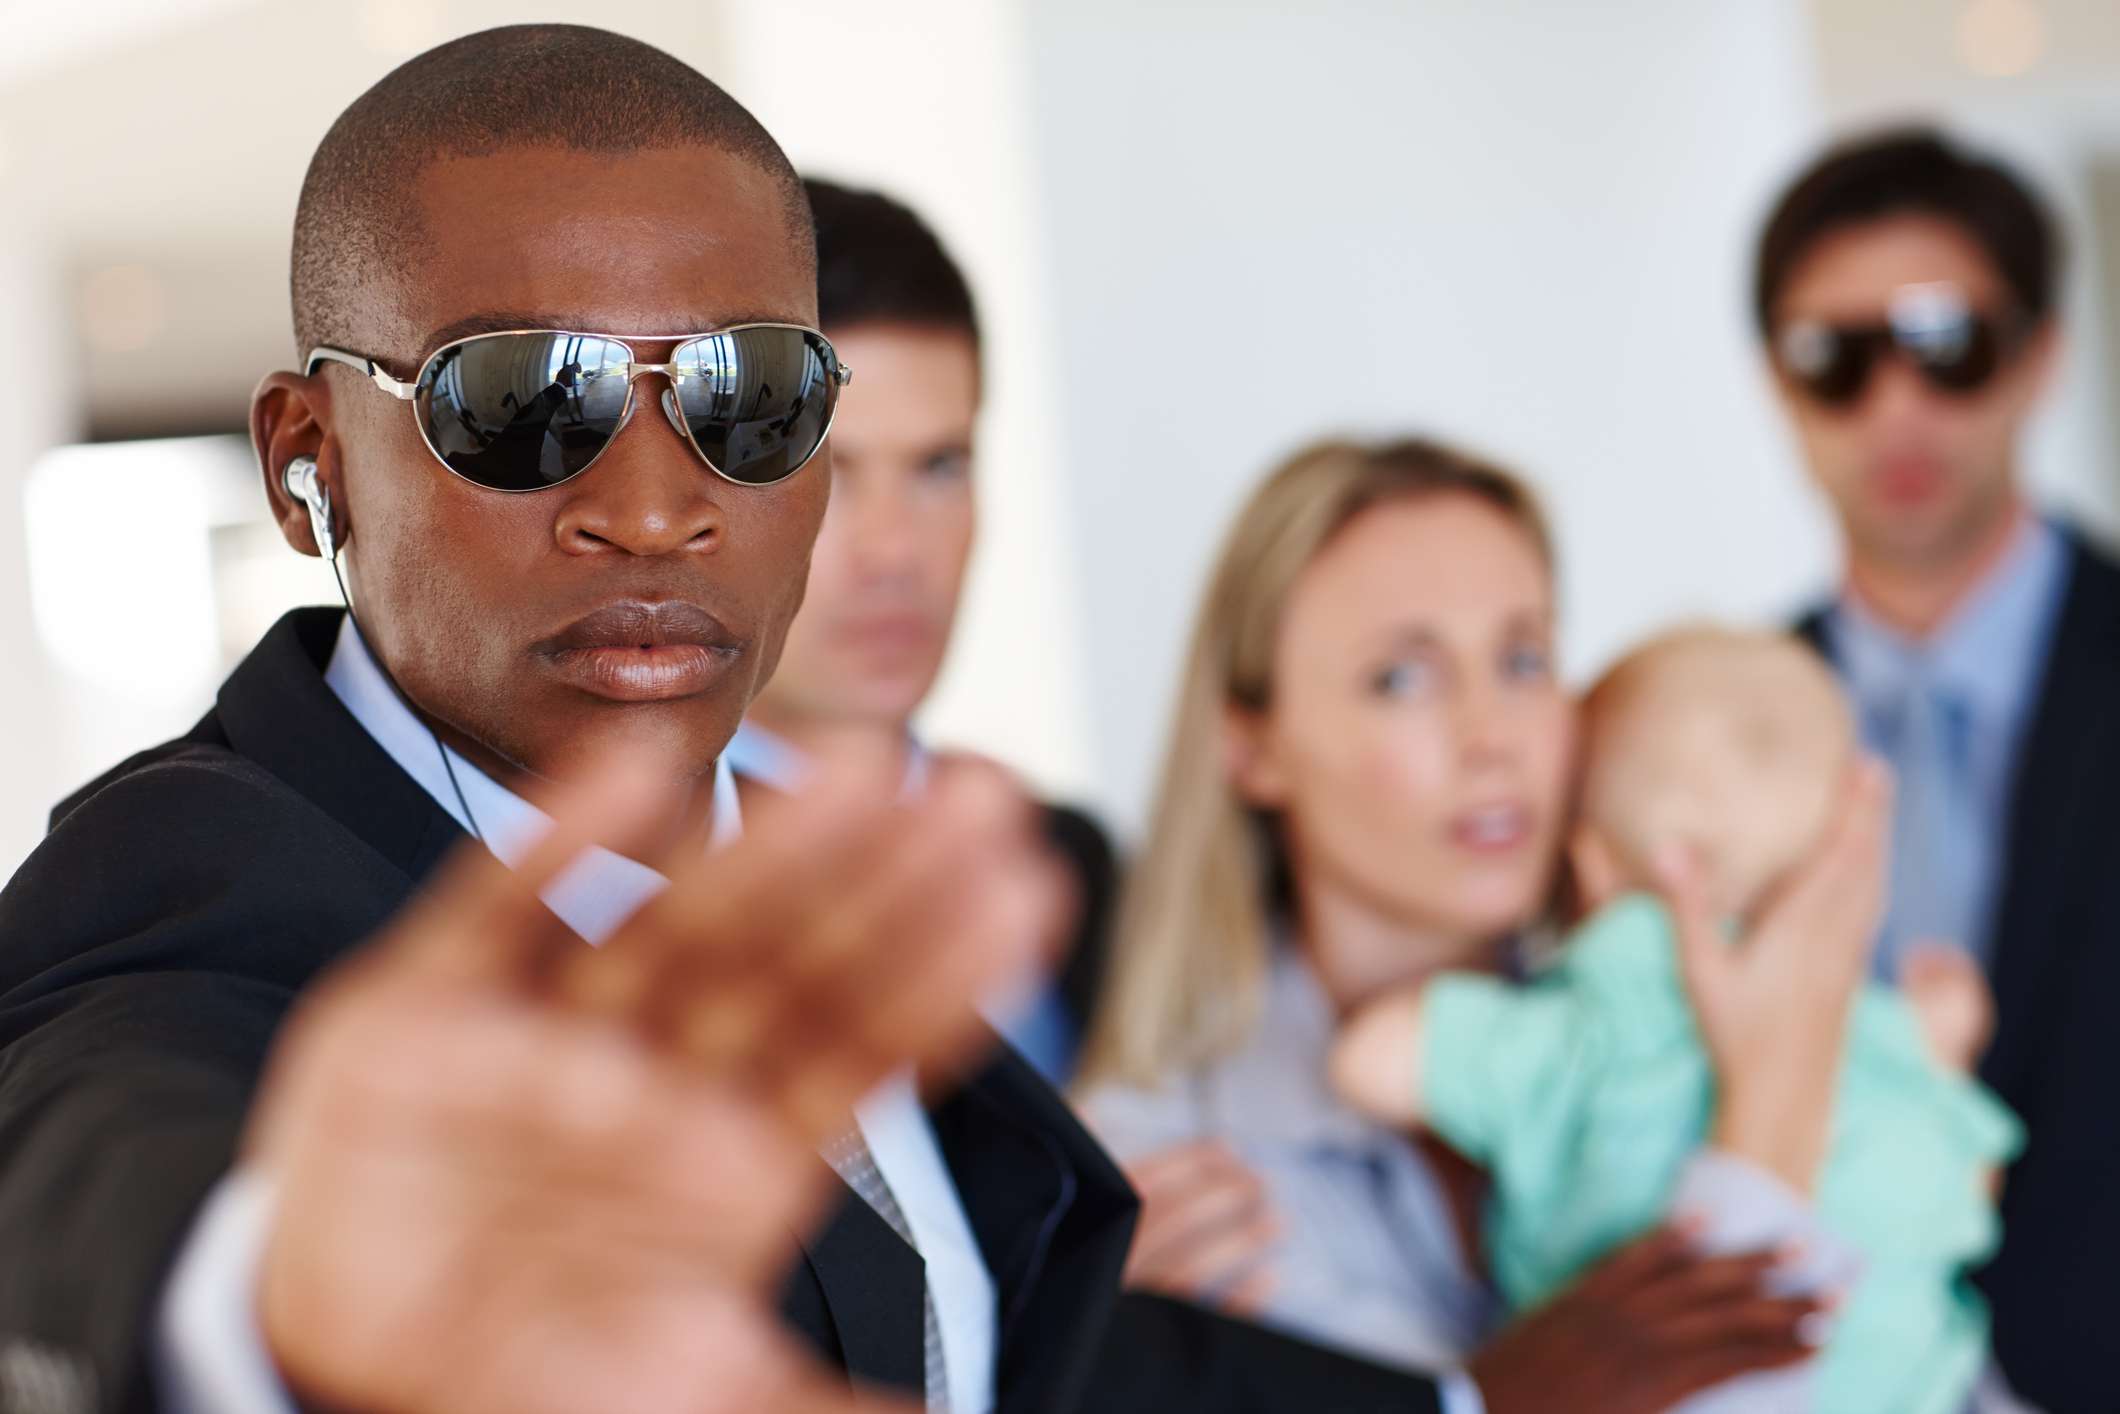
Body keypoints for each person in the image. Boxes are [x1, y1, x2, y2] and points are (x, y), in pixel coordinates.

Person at [0, 26, 1814, 1414]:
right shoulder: (181, 873)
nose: (653, 501)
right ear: (310, 457)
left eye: (748, 395)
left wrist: (1471, 1390)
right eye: (519, 400)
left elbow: (1015, 1336)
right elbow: (102, 1163)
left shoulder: (815, 881)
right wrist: (279, 1311)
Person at [1075, 438, 1890, 1410]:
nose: (1492, 736)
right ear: (1253, 745)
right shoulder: (1164, 1178)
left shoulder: (1678, 1014)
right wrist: (1772, 1115)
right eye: (1402, 679)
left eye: (1521, 657)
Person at [1331, 626, 2021, 1414]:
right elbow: (1970, 1180)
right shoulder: (1873, 1031)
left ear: (1587, 862)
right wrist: (1946, 1044)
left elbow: (1369, 1063)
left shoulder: (1592, 1026)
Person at [1762, 126, 2120, 1409]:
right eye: (1833, 360)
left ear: (2040, 356)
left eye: (1945, 344)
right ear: (1775, 381)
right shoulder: (1710, 717)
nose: (1896, 407)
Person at [727, 178, 1117, 1085]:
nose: (896, 551)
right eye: (828, 477)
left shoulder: (1077, 867)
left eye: (939, 467)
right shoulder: (626, 901)